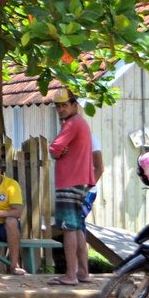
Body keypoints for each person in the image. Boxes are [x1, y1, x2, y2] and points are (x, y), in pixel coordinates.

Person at [48, 89, 96, 286]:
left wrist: (57, 151)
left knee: (68, 229)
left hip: (69, 181)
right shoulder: (82, 123)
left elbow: (54, 149)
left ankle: (70, 275)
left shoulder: (72, 123)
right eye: (58, 106)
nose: (60, 109)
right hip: (80, 181)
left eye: (64, 105)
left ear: (75, 105)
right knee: (77, 229)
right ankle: (83, 273)